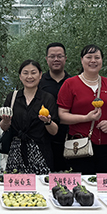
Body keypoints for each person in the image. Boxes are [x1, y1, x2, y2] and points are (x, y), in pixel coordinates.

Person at [57, 44, 107, 174]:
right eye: (89, 57)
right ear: (82, 60)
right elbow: (62, 116)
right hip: (79, 146)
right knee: (83, 184)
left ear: (102, 61)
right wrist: (86, 118)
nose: (93, 61)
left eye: (97, 57)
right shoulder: (70, 84)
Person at [0, 60, 60, 174]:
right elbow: (3, 127)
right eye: (25, 73)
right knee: (17, 184)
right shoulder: (12, 97)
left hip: (41, 152)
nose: (29, 77)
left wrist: (47, 122)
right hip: (16, 154)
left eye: (33, 73)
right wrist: (6, 121)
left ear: (40, 75)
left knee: (41, 184)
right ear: (20, 76)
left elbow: (54, 131)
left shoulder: (47, 98)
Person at [39, 42, 71, 172]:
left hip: (69, 137)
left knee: (68, 176)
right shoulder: (39, 82)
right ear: (46, 59)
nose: (56, 59)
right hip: (44, 137)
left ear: (65, 58)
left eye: (60, 56)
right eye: (52, 56)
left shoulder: (73, 82)